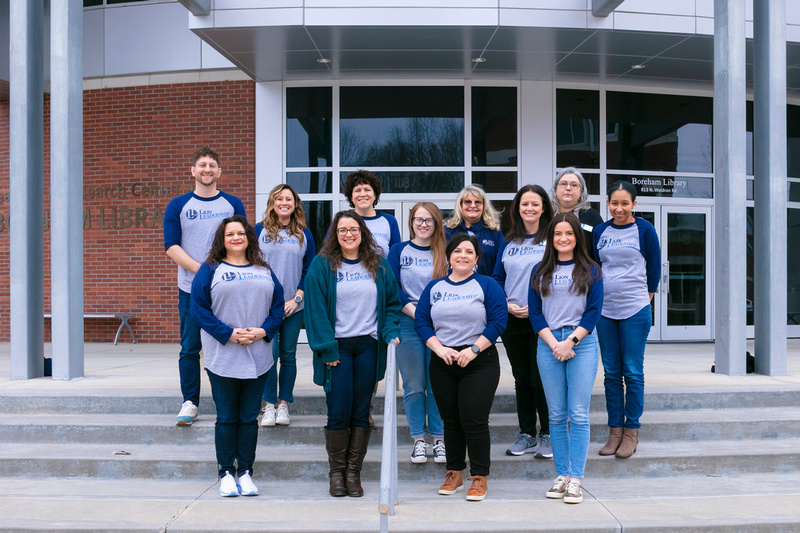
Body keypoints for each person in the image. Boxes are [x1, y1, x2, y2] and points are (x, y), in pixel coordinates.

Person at [304, 210, 402, 498]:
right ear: (335, 234)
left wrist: (390, 332)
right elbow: (315, 311)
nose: (348, 234)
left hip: (369, 346)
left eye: (354, 229)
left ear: (362, 232)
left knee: (361, 411)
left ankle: (353, 474)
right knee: (338, 412)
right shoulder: (321, 266)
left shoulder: (378, 265)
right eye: (342, 229)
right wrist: (326, 348)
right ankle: (336, 474)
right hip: (337, 348)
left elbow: (392, 305)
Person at [190, 215, 285, 497]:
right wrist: (228, 334)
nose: (236, 238)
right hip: (224, 355)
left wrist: (262, 331)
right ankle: (225, 474)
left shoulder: (264, 269)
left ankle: (245, 472)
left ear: (248, 238)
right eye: (230, 234)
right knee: (227, 417)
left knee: (248, 418)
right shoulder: (209, 269)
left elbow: (278, 307)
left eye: (241, 233)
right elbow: (199, 309)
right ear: (222, 239)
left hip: (258, 354)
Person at [415, 233, 507, 502]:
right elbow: (421, 321)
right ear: (449, 257)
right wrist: (439, 348)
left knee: (474, 419)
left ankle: (479, 476)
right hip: (443, 360)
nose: (463, 256)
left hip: (479, 360)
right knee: (450, 420)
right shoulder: (434, 287)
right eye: (457, 251)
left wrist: (474, 349)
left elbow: (498, 321)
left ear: (477, 258)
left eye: (469, 251)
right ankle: (454, 472)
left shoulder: (487, 285)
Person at [164, 146, 246, 426]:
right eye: (202, 165)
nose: (207, 169)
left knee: (227, 343)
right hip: (190, 290)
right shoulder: (178, 205)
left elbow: (241, 242)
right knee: (190, 347)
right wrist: (203, 272)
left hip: (228, 289)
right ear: (193, 171)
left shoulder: (233, 203)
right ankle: (190, 402)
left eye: (212, 165)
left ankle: (228, 403)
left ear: (219, 171)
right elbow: (171, 247)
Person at [528, 212, 603, 505]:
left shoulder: (592, 270)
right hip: (548, 343)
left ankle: (576, 479)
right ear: (551, 237)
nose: (563, 239)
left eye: (569, 234)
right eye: (557, 234)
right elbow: (534, 312)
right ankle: (561, 475)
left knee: (579, 413)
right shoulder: (540, 270)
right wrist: (554, 343)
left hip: (581, 343)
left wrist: (570, 341)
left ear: (577, 237)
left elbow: (594, 311)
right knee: (556, 415)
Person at [593, 181, 660, 458]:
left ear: (634, 204)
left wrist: (645, 301)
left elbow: (654, 267)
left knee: (632, 371)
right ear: (608, 203)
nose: (619, 208)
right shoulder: (600, 230)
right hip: (605, 312)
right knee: (611, 374)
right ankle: (615, 431)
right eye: (614, 203)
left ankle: (631, 431)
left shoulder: (643, 229)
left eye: (624, 203)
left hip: (634, 310)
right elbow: (595, 266)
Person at [492, 185, 553, 459]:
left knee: (542, 378)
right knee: (522, 378)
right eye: (524, 204)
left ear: (543, 208)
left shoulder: (553, 237)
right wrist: (506, 305)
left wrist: (539, 306)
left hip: (544, 319)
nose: (529, 209)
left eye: (535, 204)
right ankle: (527, 433)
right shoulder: (508, 240)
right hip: (513, 320)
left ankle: (549, 435)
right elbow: (497, 279)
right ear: (518, 208)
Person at [388, 202, 448, 464]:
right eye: (418, 219)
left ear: (436, 224)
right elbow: (392, 285)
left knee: (437, 384)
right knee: (414, 385)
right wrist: (414, 311)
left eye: (429, 220)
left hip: (441, 326)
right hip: (409, 324)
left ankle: (439, 438)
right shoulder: (399, 250)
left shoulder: (445, 251)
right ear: (411, 222)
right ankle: (419, 441)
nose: (423, 225)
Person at [255, 184, 316, 427]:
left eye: (288, 199)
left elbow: (309, 270)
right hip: (266, 307)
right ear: (272, 202)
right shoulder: (258, 231)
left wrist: (297, 299)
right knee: (269, 356)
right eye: (279, 198)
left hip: (293, 307)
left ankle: (284, 405)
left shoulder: (303, 233)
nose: (284, 202)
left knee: (288, 356)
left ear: (295, 204)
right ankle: (268, 405)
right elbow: (251, 264)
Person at [444, 185, 504, 276]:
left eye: (478, 202)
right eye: (468, 202)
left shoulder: (494, 232)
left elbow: (500, 267)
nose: (473, 205)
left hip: (485, 287)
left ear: (484, 206)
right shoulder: (448, 231)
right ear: (460, 205)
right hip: (453, 287)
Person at [341, 170, 401, 257]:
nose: (362, 194)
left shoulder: (389, 221)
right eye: (357, 190)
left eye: (367, 190)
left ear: (375, 195)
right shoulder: (342, 221)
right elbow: (330, 253)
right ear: (351, 197)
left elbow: (396, 257)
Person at [550, 167, 603, 256]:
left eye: (574, 185)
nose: (568, 188)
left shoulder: (592, 216)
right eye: (563, 184)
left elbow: (601, 250)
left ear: (581, 192)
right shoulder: (546, 215)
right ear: (556, 189)